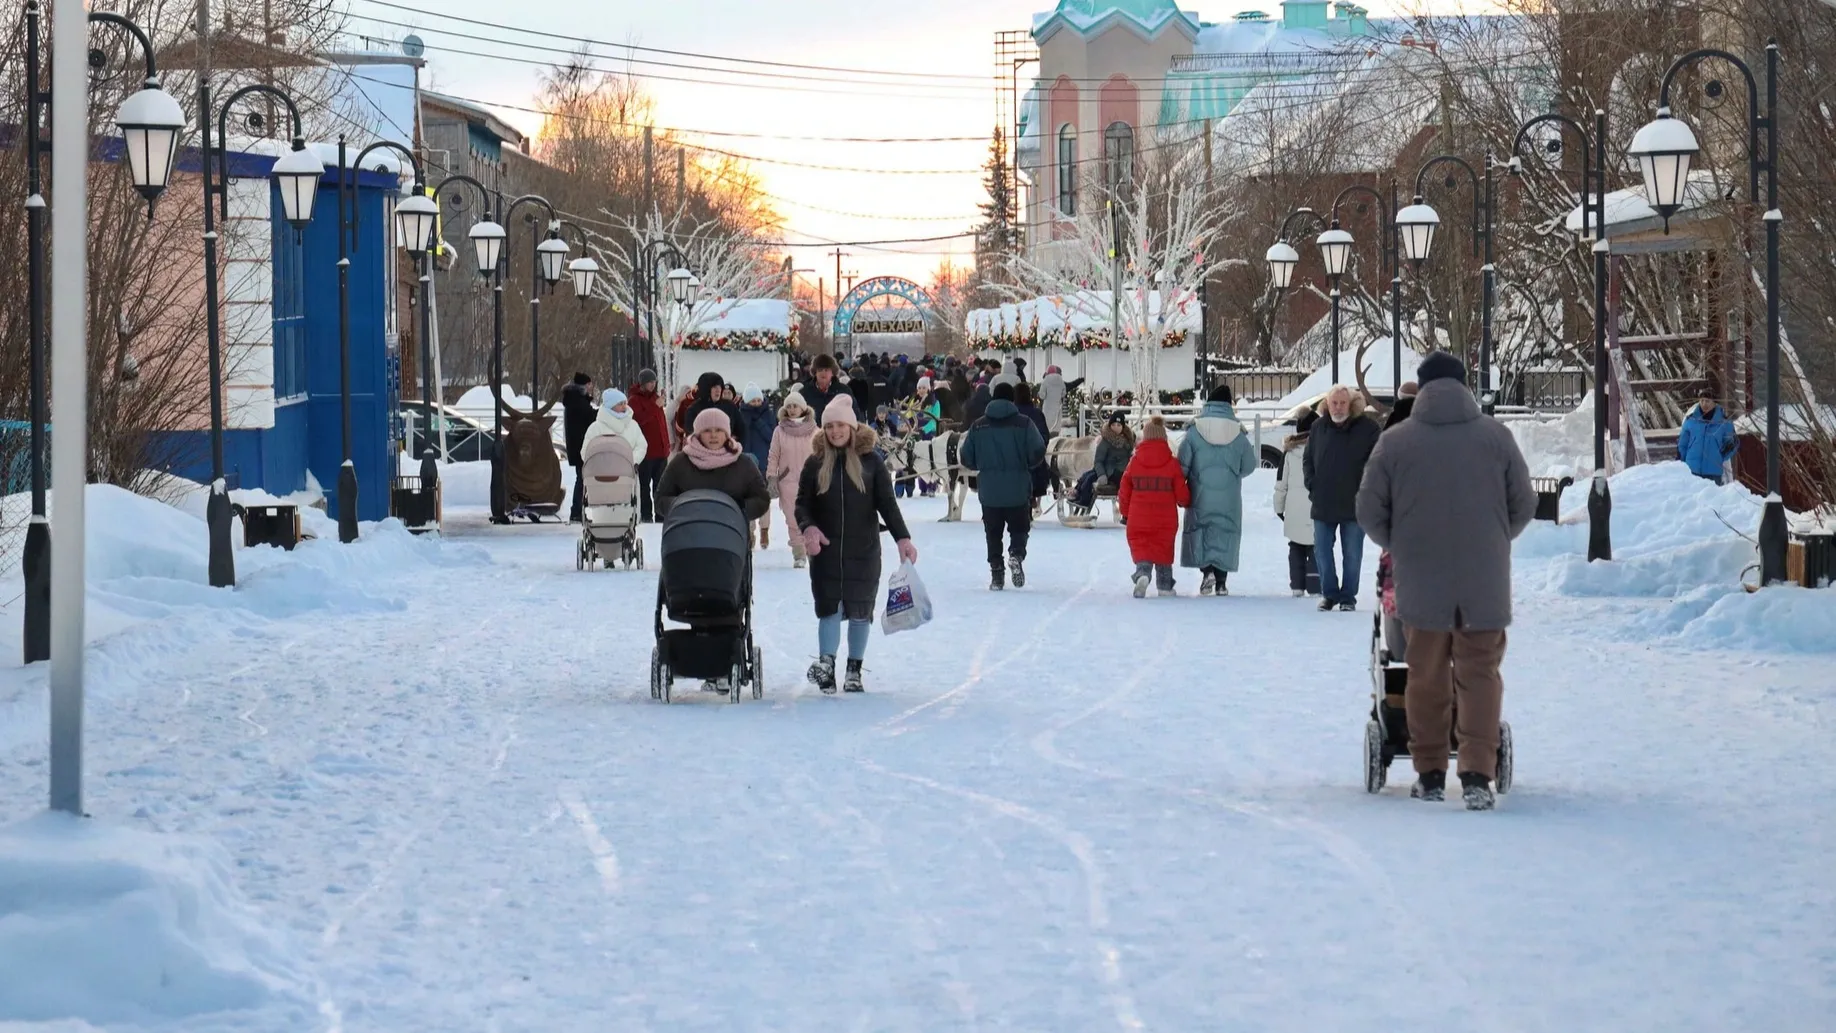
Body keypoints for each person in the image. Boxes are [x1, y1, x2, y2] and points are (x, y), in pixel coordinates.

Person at [1357, 350, 1537, 811]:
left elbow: (1368, 509)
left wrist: (1398, 541)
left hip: (1420, 579)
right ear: (1463, 387)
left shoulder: (1396, 442)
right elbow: (1524, 504)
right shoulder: (1496, 438)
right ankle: (1477, 773)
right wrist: (1496, 538)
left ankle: (1431, 772)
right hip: (1484, 579)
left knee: (1425, 674)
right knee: (1480, 673)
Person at [796, 395, 918, 694]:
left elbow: (887, 504)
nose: (835, 431)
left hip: (863, 549)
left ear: (852, 427)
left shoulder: (871, 462)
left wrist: (902, 537)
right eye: (829, 426)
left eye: (840, 425)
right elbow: (803, 504)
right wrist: (808, 527)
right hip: (825, 551)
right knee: (829, 610)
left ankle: (854, 670)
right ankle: (826, 666)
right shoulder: (815, 463)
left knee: (861, 611)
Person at [960, 382, 1046, 590]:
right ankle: (1016, 553)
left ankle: (997, 574)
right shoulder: (1024, 424)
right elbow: (1038, 450)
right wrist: (1026, 465)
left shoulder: (978, 425)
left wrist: (981, 466)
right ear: (1012, 400)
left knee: (993, 533)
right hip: (1017, 488)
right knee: (1019, 528)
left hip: (989, 491)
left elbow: (966, 457)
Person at [1304, 384, 1381, 612]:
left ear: (1351, 404)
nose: (1338, 407)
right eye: (1334, 403)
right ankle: (1329, 594)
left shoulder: (1368, 428)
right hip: (1323, 501)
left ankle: (1348, 597)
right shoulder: (1318, 427)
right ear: (1327, 404)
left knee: (1352, 553)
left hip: (1355, 503)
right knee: (1322, 550)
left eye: (1342, 403)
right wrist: (1312, 484)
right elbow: (1307, 460)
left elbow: (1377, 462)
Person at [1178, 384, 1260, 597]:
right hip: (1229, 496)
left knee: (1201, 530)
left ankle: (1207, 573)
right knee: (1226, 532)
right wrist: (1234, 475)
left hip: (1200, 494)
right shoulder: (1238, 433)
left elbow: (1182, 464)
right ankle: (1222, 582)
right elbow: (1250, 465)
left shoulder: (1194, 431)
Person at [654, 408, 770, 523]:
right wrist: (684, 506)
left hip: (732, 534)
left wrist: (739, 507)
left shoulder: (743, 463)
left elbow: (762, 499)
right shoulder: (681, 462)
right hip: (689, 534)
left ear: (727, 434)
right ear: (698, 434)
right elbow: (661, 500)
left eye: (719, 430)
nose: (713, 435)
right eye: (707, 430)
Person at [1118, 416, 1189, 597]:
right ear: (1164, 438)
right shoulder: (1172, 464)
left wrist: (1125, 513)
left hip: (1138, 518)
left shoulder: (1134, 462)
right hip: (1165, 520)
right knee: (1163, 551)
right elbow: (1182, 493)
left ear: (1146, 438)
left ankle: (1142, 574)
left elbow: (1124, 490)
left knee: (1143, 549)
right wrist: (1185, 501)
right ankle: (1164, 586)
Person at [766, 391, 818, 569]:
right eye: (788, 406)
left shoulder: (814, 430)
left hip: (810, 482)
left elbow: (823, 456)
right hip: (787, 482)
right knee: (793, 519)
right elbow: (773, 455)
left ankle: (812, 550)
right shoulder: (779, 431)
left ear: (802, 407)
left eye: (795, 405)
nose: (792, 409)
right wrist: (772, 477)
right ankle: (799, 554)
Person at [1272, 409, 1320, 596]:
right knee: (1316, 547)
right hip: (1315, 505)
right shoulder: (1321, 449)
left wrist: (1279, 508)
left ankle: (1297, 586)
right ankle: (1316, 586)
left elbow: (1281, 483)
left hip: (1293, 507)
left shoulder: (1289, 453)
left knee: (1296, 546)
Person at [627, 369, 670, 522]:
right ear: (642, 383)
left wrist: (667, 445)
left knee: (660, 486)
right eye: (649, 382)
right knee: (644, 486)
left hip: (661, 452)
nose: (652, 385)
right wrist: (654, 405)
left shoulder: (656, 398)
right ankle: (646, 515)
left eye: (654, 382)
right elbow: (638, 420)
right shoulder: (634, 400)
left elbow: (661, 424)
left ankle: (660, 515)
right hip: (646, 452)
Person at [1073, 412, 1135, 512]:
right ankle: (1082, 500)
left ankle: (1127, 510)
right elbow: (1098, 460)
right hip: (1108, 471)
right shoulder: (1105, 442)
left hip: (1123, 471)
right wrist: (1102, 474)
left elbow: (1130, 456)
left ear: (1123, 427)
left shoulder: (1128, 441)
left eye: (1119, 425)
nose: (1116, 427)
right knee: (1088, 478)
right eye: (1113, 425)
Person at [1677, 389, 1737, 484]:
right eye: (1702, 400)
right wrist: (1681, 462)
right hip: (1692, 470)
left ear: (1714, 403)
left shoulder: (1724, 423)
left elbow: (1732, 444)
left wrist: (1720, 457)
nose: (1704, 404)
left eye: (1708, 401)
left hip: (1713, 473)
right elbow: (1682, 444)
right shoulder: (1691, 420)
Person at [560, 372, 597, 523]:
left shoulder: (574, 400)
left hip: (579, 446)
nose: (591, 387)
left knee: (582, 479)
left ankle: (578, 511)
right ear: (583, 386)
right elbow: (589, 416)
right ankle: (576, 512)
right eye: (589, 384)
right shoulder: (578, 402)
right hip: (581, 447)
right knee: (582, 480)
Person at [580, 387, 648, 465]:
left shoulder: (633, 424)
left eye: (625, 403)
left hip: (628, 473)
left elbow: (641, 446)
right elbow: (586, 452)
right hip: (601, 474)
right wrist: (601, 464)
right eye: (620, 404)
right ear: (610, 406)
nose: (624, 406)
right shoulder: (596, 428)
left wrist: (631, 461)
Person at [799, 353, 851, 420]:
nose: (823, 373)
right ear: (815, 373)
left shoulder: (844, 391)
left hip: (836, 429)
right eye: (820, 370)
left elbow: (854, 414)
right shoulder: (804, 392)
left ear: (832, 373)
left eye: (826, 370)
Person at [1037, 365, 1085, 438]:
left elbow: (1042, 395)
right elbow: (1066, 390)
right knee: (1055, 429)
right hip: (1057, 409)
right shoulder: (1060, 382)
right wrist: (1080, 380)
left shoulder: (1044, 381)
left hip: (1046, 409)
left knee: (1046, 428)